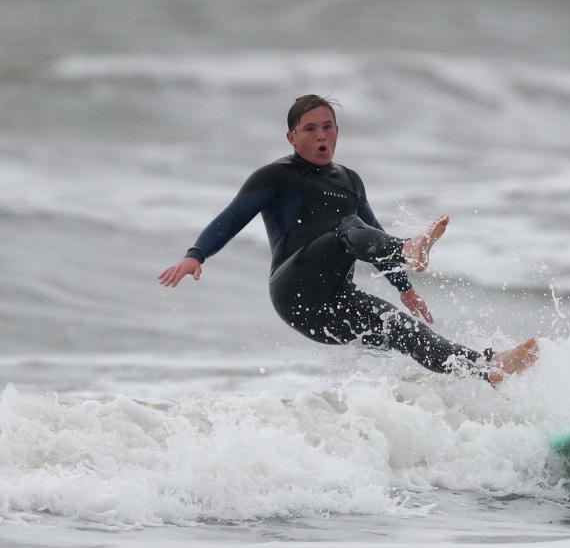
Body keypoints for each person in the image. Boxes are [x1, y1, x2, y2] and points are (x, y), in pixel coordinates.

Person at [158, 95, 538, 384]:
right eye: (310, 129)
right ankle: (410, 249)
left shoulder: (350, 181)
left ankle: (486, 368)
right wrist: (196, 255)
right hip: (294, 292)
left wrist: (403, 288)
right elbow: (233, 216)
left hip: (335, 301)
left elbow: (370, 236)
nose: (321, 136)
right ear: (292, 137)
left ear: (338, 131)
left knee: (405, 329)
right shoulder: (274, 177)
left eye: (328, 126)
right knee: (346, 227)